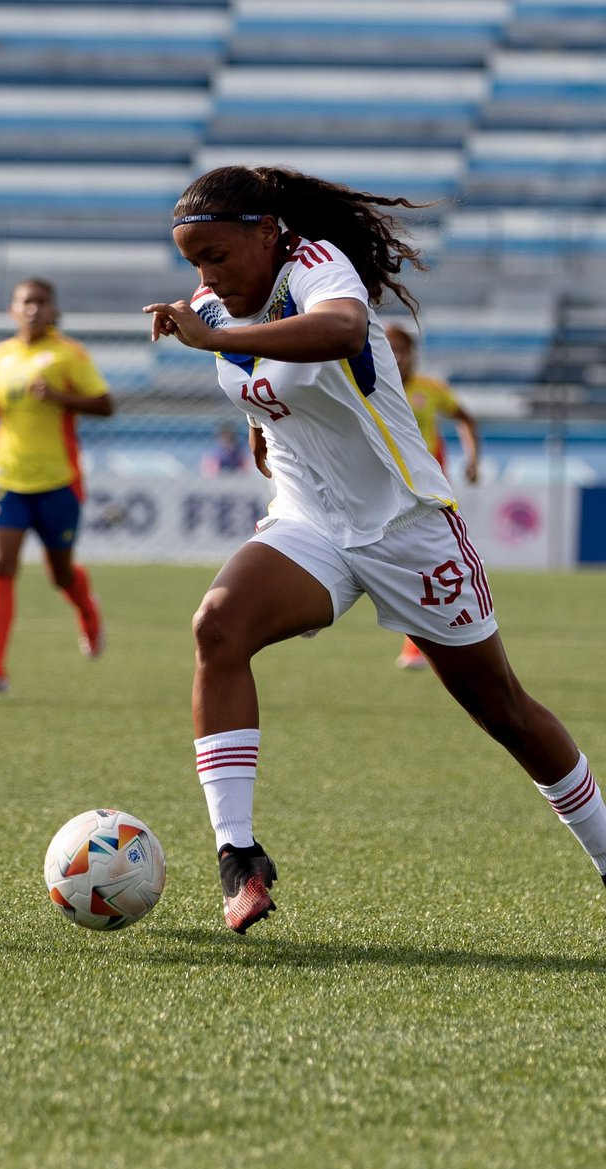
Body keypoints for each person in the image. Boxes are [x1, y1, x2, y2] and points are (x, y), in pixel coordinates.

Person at [144, 164, 606, 934]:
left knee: (505, 712)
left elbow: (341, 333)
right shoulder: (213, 308)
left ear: (267, 234)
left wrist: (222, 337)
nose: (207, 276)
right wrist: (265, 428)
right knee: (216, 626)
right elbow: (266, 380)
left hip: (406, 529)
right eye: (194, 262)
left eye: (218, 255)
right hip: (309, 524)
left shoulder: (318, 267)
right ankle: (239, 856)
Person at [0, 278, 113, 694]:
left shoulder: (69, 355)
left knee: (61, 573)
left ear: (52, 309)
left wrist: (60, 397)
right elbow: (2, 410)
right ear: (12, 310)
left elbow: (105, 404)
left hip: (57, 481)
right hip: (5, 477)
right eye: (25, 302)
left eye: (41, 302)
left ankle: (88, 611)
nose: (33, 308)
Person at [386, 322, 481, 670]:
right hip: (381, 490)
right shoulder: (369, 385)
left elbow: (466, 419)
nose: (396, 357)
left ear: (413, 355)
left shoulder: (430, 389)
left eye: (402, 350)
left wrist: (472, 460)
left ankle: (419, 646)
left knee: (424, 568)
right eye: (390, 349)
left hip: (425, 495)